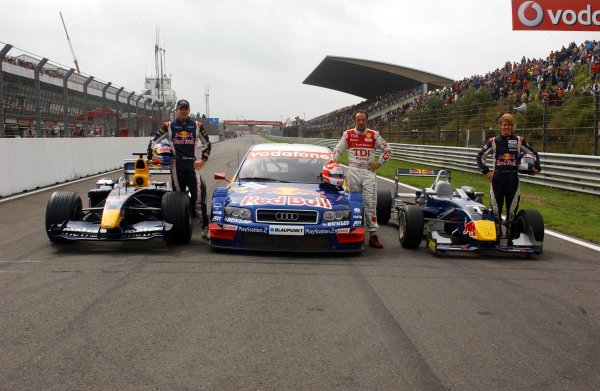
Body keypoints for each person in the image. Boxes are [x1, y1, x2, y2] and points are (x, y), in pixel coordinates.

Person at [147, 99, 212, 239]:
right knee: (178, 199)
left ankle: (205, 227)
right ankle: (179, 227)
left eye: (185, 108)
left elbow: (207, 143)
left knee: (198, 198)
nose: (183, 111)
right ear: (176, 111)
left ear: (189, 110)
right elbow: (153, 141)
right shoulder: (168, 126)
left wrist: (203, 160)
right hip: (176, 166)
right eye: (180, 108)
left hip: (192, 166)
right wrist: (150, 156)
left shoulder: (197, 125)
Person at [330, 110, 391, 248]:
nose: (361, 122)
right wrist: (331, 162)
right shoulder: (348, 134)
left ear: (366, 121)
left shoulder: (374, 135)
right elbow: (338, 150)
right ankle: (354, 232)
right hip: (353, 171)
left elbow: (388, 150)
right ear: (355, 121)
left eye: (363, 120)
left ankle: (373, 235)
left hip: (368, 171)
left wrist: (379, 163)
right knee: (353, 203)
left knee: (370, 203)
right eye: (359, 120)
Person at [476, 113, 541, 239]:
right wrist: (486, 171)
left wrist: (537, 167)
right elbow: (480, 157)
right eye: (504, 125)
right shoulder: (493, 141)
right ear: (500, 126)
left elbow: (533, 153)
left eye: (509, 125)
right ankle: (496, 233)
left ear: (512, 127)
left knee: (511, 211)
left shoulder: (519, 141)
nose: (507, 127)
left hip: (513, 179)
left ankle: (511, 235)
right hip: (497, 179)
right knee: (495, 210)